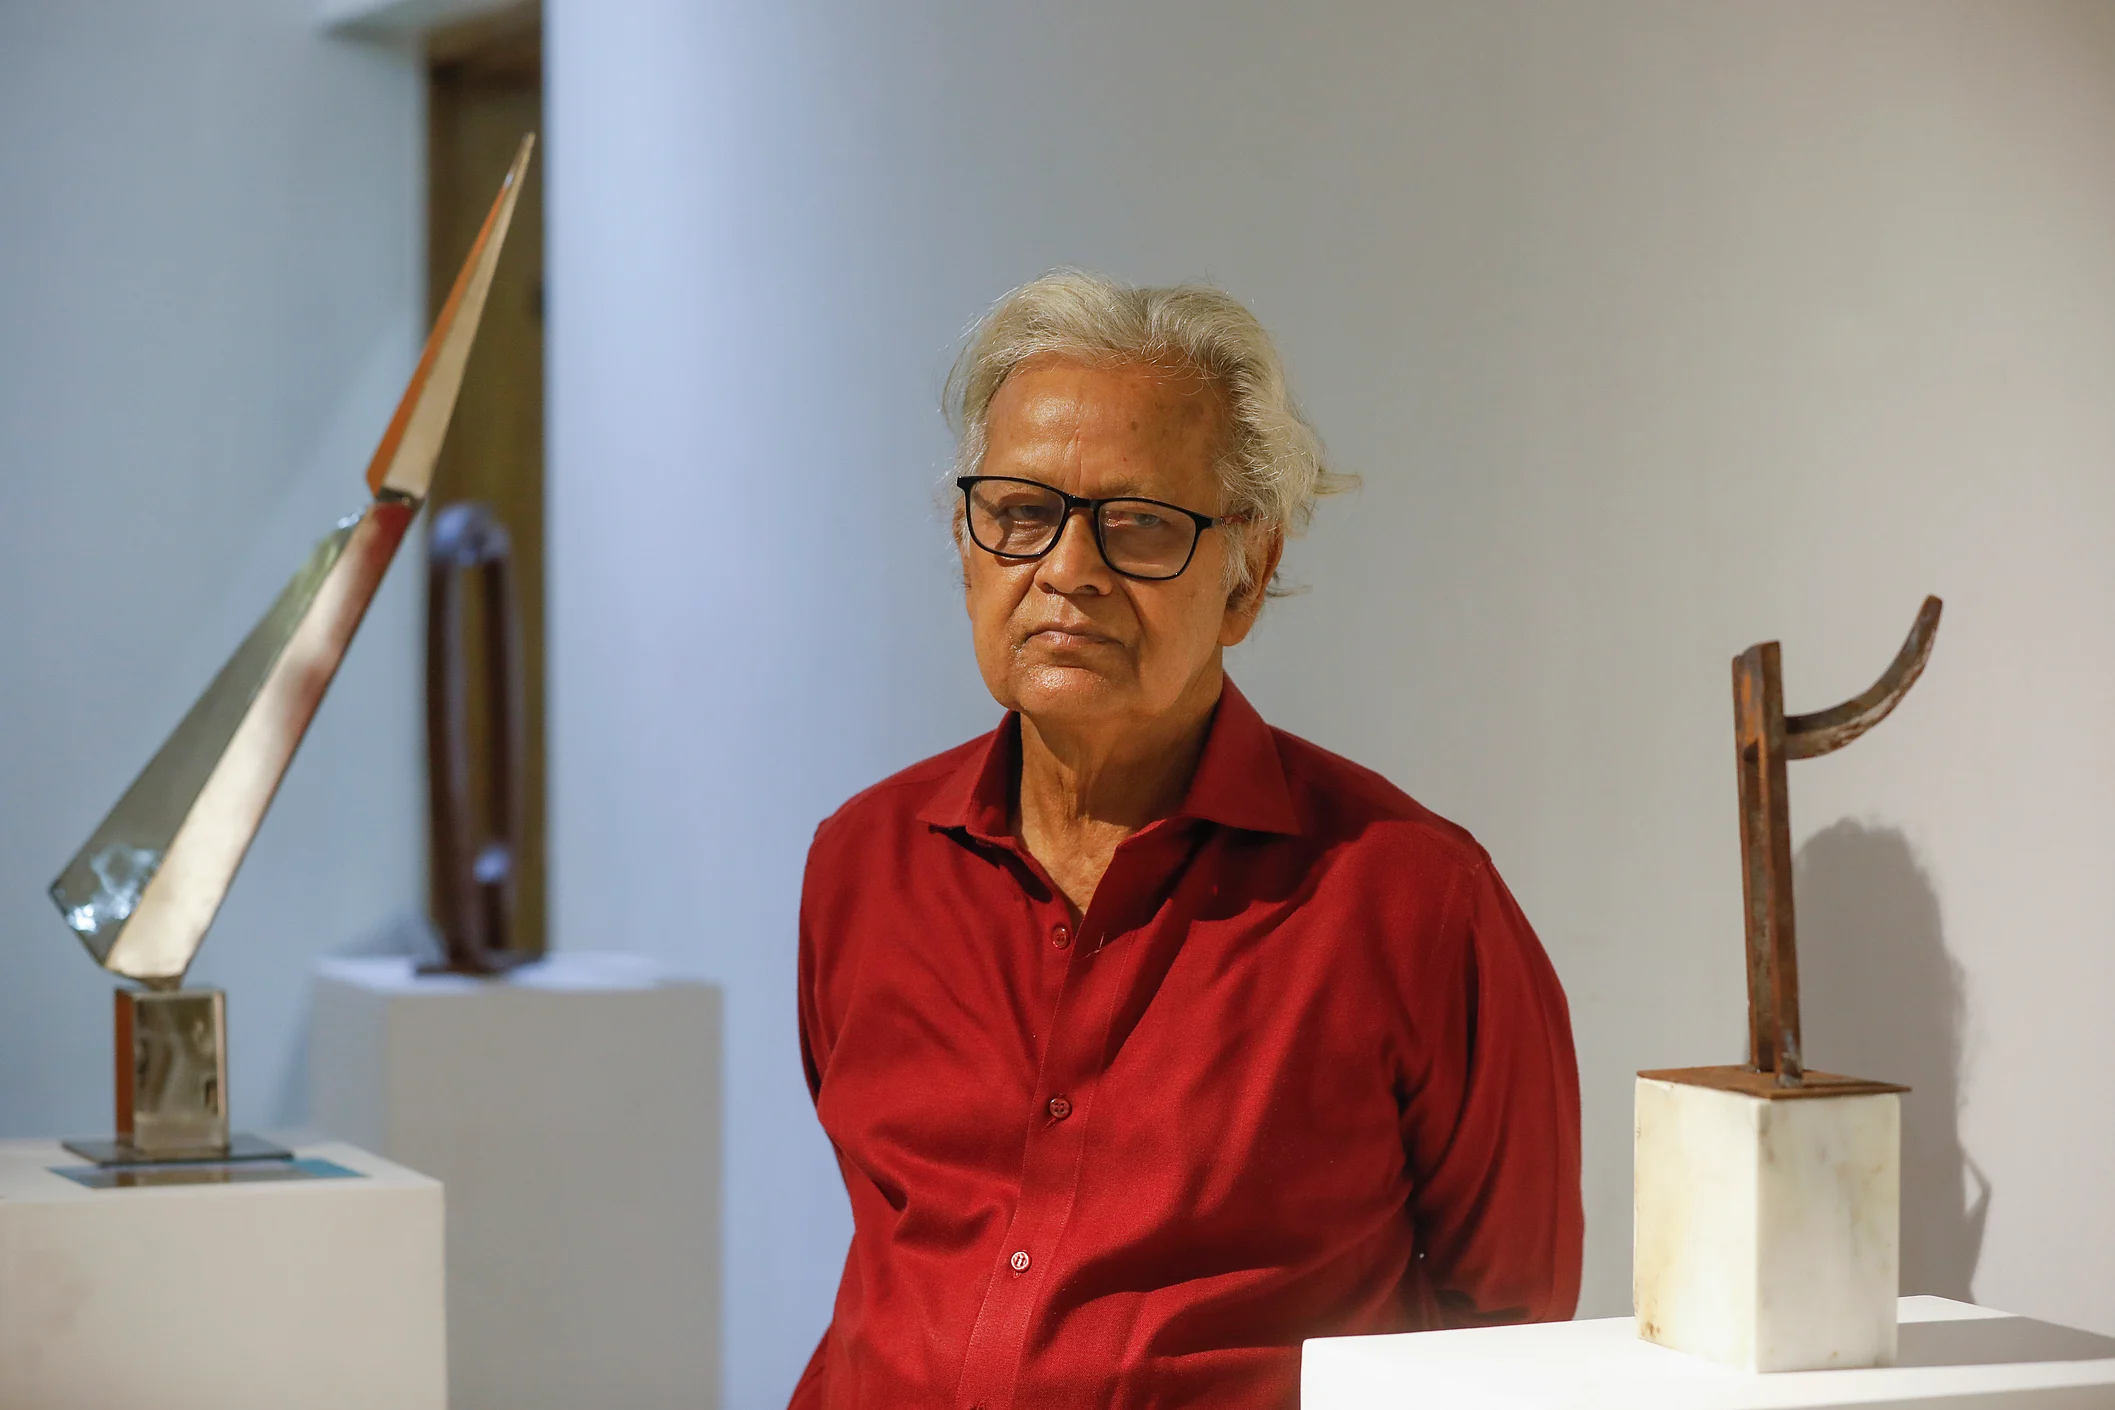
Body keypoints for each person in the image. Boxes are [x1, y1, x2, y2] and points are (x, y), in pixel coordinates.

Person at [791, 271, 1582, 1410]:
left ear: (1248, 576)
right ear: (967, 547)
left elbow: (1511, 1331)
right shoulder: (865, 862)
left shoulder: (1411, 900)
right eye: (1019, 513)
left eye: (1141, 525)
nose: (1068, 571)